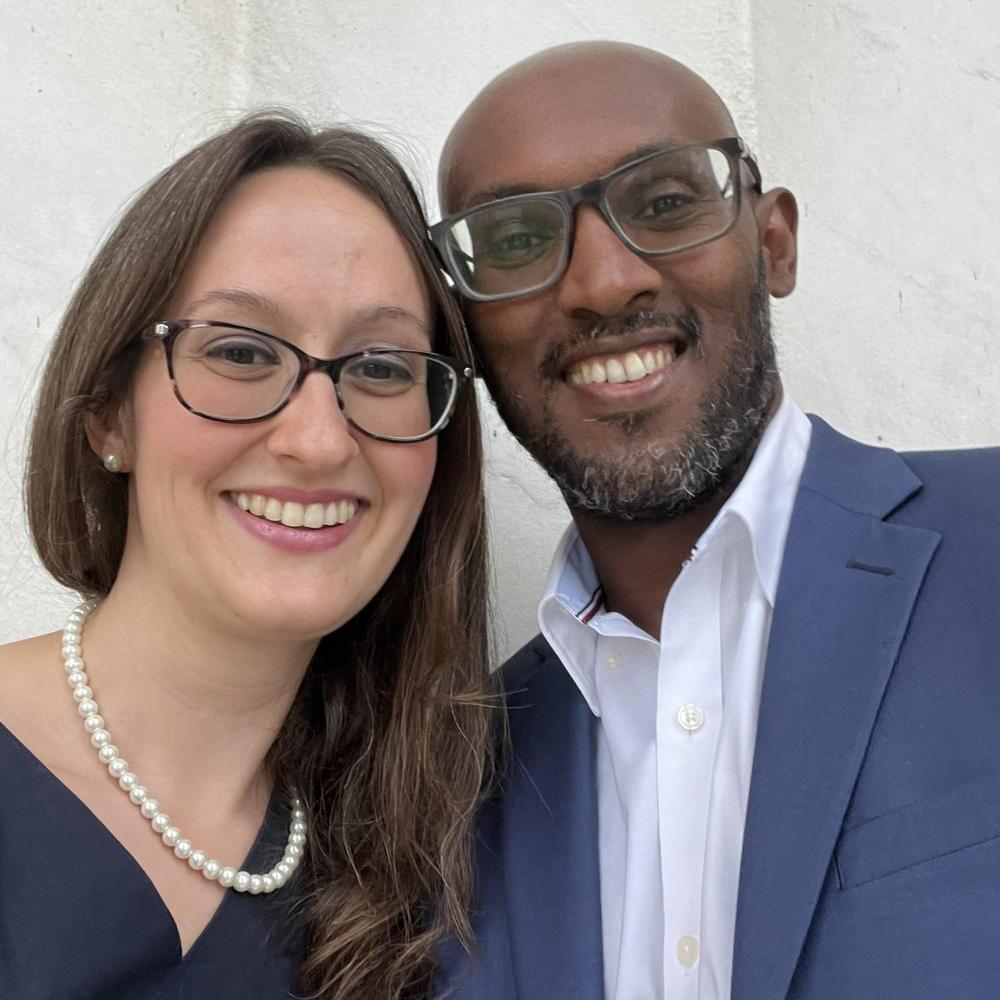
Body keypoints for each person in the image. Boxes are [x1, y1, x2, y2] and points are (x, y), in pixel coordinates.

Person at [429, 40, 1000, 1000]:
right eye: (518, 239)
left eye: (662, 202)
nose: (602, 282)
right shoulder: (455, 786)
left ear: (773, 243)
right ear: (468, 332)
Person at [0, 111, 498, 1000]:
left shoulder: (418, 874)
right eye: (239, 350)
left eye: (384, 368)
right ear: (108, 413)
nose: (319, 439)